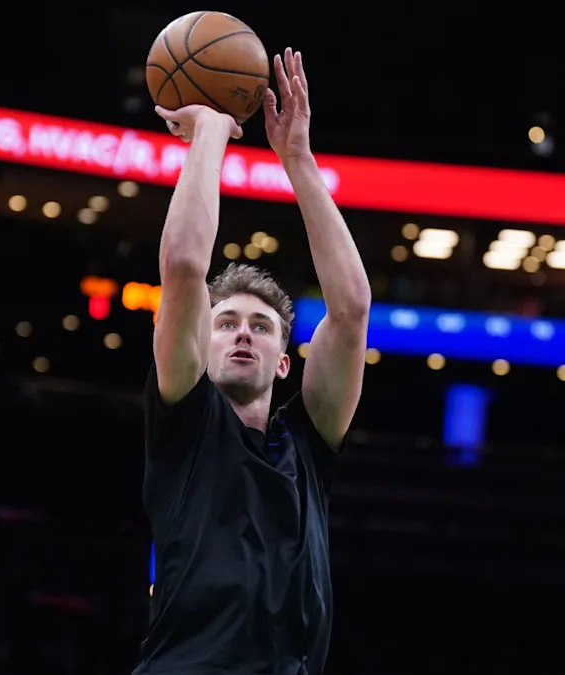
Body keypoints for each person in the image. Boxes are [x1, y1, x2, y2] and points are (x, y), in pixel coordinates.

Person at [132, 48, 371, 675]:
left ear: (286, 363)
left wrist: (298, 160)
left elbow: (351, 312)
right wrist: (211, 130)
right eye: (226, 323)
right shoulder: (186, 421)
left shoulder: (309, 445)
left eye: (260, 327)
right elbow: (184, 267)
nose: (242, 334)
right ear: (201, 351)